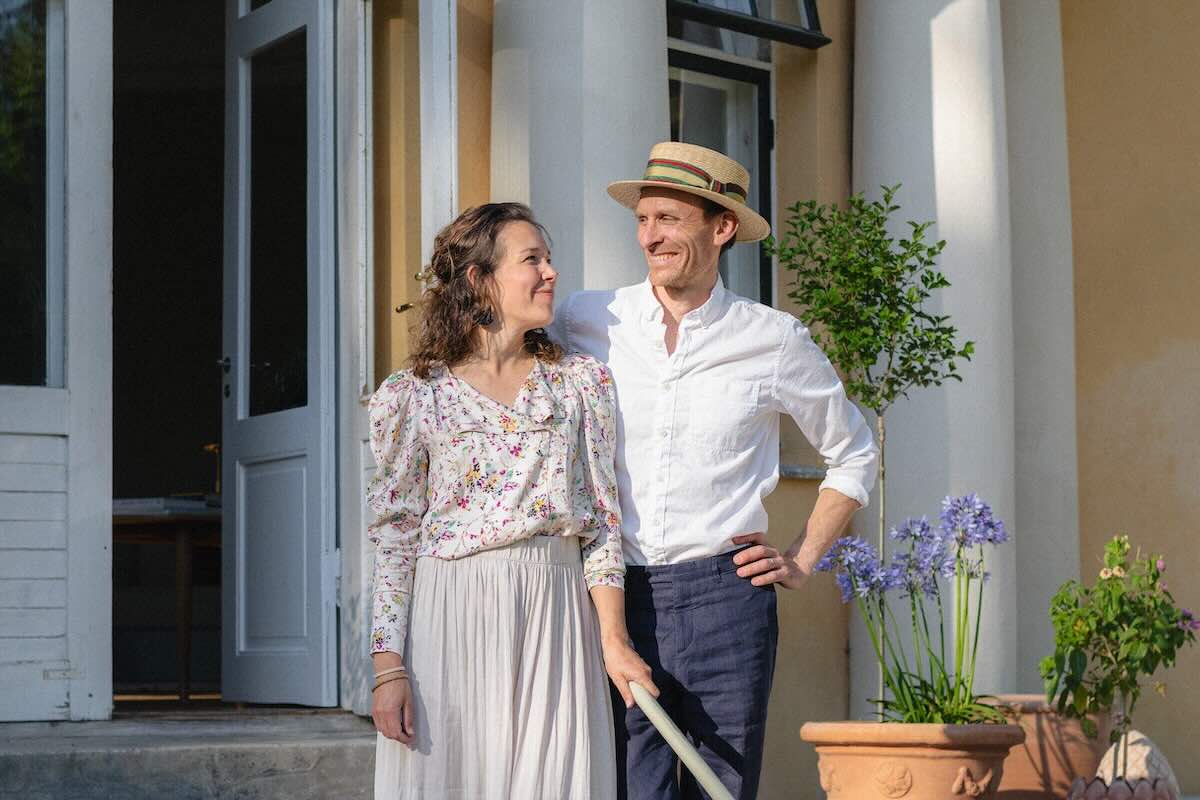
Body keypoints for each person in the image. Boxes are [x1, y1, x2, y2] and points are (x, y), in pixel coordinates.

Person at [550, 142, 879, 799]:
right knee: (627, 786)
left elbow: (855, 452)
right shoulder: (587, 320)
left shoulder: (775, 339)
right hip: (613, 595)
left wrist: (803, 557)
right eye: (643, 220)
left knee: (720, 786)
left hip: (726, 599)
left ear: (722, 227)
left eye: (669, 219)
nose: (651, 237)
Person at [367, 202, 657, 800]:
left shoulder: (581, 383)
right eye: (532, 260)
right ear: (479, 279)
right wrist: (387, 669)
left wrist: (614, 639)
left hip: (555, 609)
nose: (550, 273)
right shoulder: (413, 395)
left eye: (549, 259)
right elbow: (396, 538)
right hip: (451, 615)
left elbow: (602, 524)